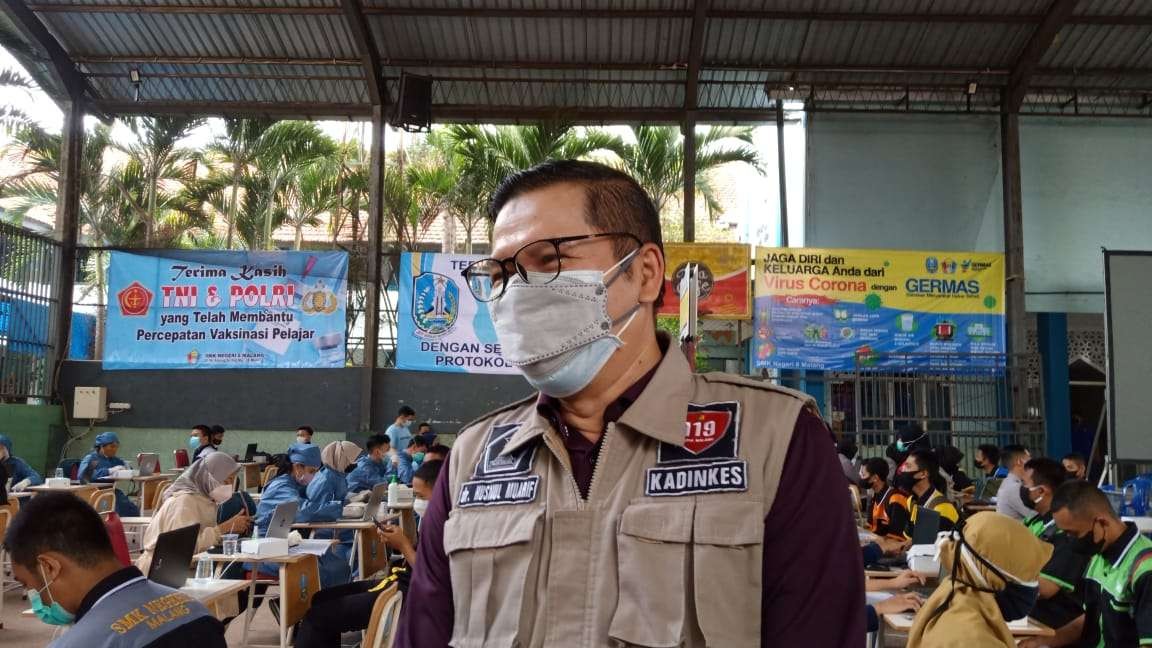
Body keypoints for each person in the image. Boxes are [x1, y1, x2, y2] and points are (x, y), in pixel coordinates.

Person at [398, 160, 865, 647]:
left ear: (645, 274)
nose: (515, 293)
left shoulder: (774, 440)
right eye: (500, 274)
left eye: (549, 258)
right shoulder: (474, 460)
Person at [3, 491, 226, 647]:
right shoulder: (195, 609)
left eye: (26, 584)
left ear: (49, 567)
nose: (34, 598)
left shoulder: (80, 643)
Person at [294, 459, 443, 648]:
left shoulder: (446, 526)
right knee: (320, 599)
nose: (418, 502)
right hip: (398, 581)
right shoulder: (435, 519)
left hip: (405, 592)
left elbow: (432, 576)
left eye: (420, 496)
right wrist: (403, 542)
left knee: (318, 617)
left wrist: (404, 545)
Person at [907, 512, 1053, 648]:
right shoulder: (972, 639)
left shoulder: (953, 593)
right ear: (992, 577)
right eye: (1029, 575)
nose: (1034, 585)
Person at [1051, 480, 1152, 647]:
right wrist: (1048, 641)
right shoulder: (1098, 554)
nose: (1070, 541)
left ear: (1102, 523)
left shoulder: (1144, 569)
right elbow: (1094, 617)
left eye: (1074, 534)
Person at [254, 442, 350, 587]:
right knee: (321, 572)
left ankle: (325, 606)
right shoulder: (281, 487)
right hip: (267, 549)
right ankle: (302, 607)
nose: (314, 476)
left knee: (339, 566)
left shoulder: (296, 485)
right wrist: (335, 508)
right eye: (311, 471)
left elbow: (313, 504)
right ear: (298, 467)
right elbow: (305, 511)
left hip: (289, 543)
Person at [136, 453, 250, 573]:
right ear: (208, 478)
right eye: (226, 480)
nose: (230, 486)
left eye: (232, 481)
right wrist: (224, 528)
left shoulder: (205, 500)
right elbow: (183, 547)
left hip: (177, 569)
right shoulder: (185, 501)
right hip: (158, 571)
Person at [1015, 457, 1089, 642]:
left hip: (1052, 626)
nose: (1022, 489)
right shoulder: (1035, 521)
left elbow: (1045, 588)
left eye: (1025, 484)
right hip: (1026, 617)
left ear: (1041, 491)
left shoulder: (1066, 532)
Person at [896, 449, 960, 534]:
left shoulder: (941, 509)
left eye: (908, 466)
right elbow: (909, 539)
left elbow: (936, 546)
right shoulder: (911, 501)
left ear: (923, 474)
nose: (902, 470)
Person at [77, 432, 139, 517]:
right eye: (112, 446)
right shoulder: (94, 459)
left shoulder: (113, 459)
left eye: (117, 446)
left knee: (132, 509)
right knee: (118, 508)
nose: (115, 449)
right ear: (102, 446)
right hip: (97, 492)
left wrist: (128, 468)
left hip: (111, 491)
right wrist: (109, 470)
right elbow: (85, 476)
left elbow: (125, 467)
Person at [860, 457, 910, 541]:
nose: (860, 477)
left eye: (863, 474)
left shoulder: (895, 499)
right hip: (877, 542)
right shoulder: (875, 495)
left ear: (875, 478)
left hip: (893, 548)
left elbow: (896, 537)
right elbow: (870, 526)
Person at [996, 445, 1035, 521]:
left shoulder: (1009, 483)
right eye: (1029, 458)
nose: (1032, 461)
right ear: (1019, 461)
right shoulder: (1013, 488)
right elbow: (1035, 515)